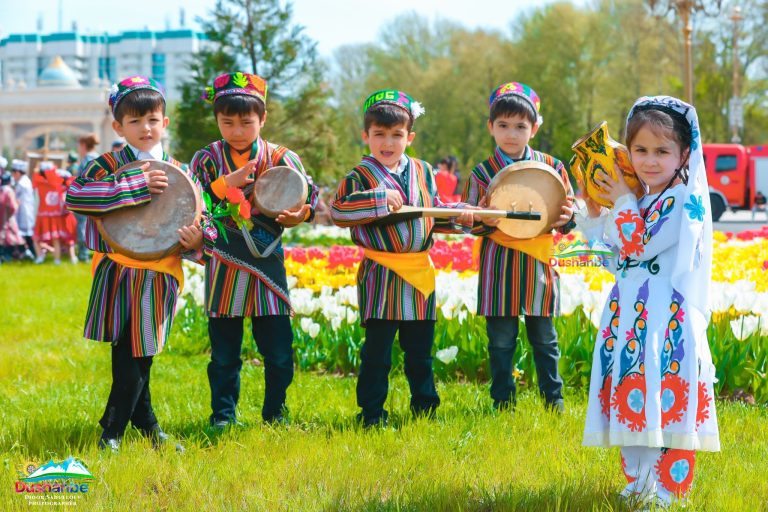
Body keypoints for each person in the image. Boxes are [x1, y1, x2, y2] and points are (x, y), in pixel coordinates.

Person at [578, 96, 720, 507]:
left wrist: (621, 200)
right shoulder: (638, 201)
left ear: (684, 155)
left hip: (666, 322)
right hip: (631, 319)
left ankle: (670, 489)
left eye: (662, 151)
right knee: (634, 394)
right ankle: (638, 483)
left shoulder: (683, 202)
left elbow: (639, 244)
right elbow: (614, 260)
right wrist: (591, 215)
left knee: (667, 397)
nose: (650, 161)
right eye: (639, 150)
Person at [65, 75, 205, 452]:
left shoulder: (183, 170)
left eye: (153, 120)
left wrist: (198, 242)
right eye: (135, 121)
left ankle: (114, 430)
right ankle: (143, 428)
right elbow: (76, 196)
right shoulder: (106, 165)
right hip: (118, 269)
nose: (146, 128)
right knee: (130, 348)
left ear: (165, 122)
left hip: (160, 272)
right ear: (118, 126)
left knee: (140, 348)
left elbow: (200, 217)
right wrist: (132, 188)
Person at [330, 89, 477, 427]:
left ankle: (425, 407)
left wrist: (463, 215)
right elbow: (339, 212)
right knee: (377, 353)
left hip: (420, 276)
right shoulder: (358, 177)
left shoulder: (424, 171)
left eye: (396, 135)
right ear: (365, 135)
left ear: (409, 137)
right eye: (379, 134)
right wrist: (379, 200)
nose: (388, 142)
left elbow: (435, 212)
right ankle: (371, 412)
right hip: (381, 274)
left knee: (420, 353)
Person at [190, 72, 318, 428]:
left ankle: (276, 413)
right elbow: (191, 201)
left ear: (263, 119)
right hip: (224, 264)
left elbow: (311, 195)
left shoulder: (281, 157)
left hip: (268, 264)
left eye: (246, 122)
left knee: (278, 351)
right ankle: (223, 416)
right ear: (216, 120)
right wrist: (223, 185)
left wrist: (300, 214)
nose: (236, 131)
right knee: (224, 354)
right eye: (226, 122)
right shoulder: (206, 160)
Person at [462, 82, 575, 413]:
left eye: (521, 127)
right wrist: (480, 217)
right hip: (498, 264)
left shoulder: (552, 168)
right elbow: (468, 221)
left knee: (545, 338)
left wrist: (567, 217)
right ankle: (503, 402)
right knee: (500, 340)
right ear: (491, 127)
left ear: (534, 128)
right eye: (503, 126)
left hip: (538, 264)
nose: (511, 134)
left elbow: (567, 212)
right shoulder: (482, 173)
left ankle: (553, 400)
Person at [32, 161, 74, 264]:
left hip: (42, 215)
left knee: (37, 238)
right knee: (56, 239)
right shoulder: (57, 183)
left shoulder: (38, 183)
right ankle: (57, 259)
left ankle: (40, 257)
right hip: (55, 216)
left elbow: (36, 201)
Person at [73, 133, 101, 261]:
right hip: (99, 197)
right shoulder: (99, 158)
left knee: (83, 226)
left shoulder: (86, 160)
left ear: (83, 145)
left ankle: (83, 254)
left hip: (86, 198)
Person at [10, 160, 35, 259]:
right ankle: (28, 253)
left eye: (13, 173)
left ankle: (32, 253)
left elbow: (17, 199)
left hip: (24, 212)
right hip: (26, 211)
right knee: (26, 235)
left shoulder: (22, 183)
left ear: (17, 172)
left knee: (25, 235)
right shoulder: (25, 180)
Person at [0, 172, 24, 261]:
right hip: (8, 218)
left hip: (1, 217)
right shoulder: (9, 191)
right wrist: (17, 204)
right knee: (12, 237)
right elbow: (13, 207)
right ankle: (8, 257)